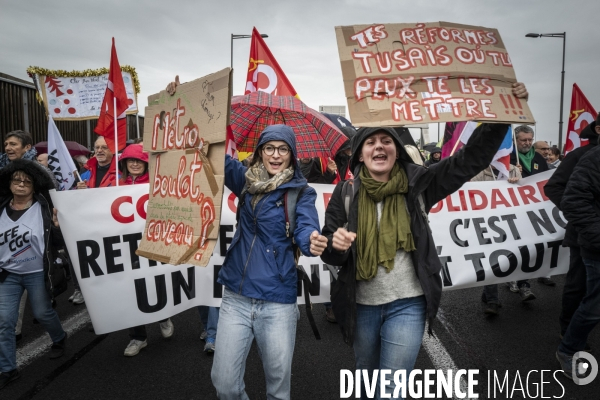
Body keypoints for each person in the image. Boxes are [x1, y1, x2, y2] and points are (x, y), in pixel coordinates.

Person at [321, 121, 513, 398]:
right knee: (365, 378)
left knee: (392, 389)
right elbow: (330, 249)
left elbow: (469, 160)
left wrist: (498, 119)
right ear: (359, 155)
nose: (379, 146)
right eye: (370, 142)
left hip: (407, 305)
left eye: (386, 141)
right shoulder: (345, 193)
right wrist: (335, 245)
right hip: (361, 305)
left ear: (396, 151)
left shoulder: (420, 185)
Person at [211, 125, 328, 399]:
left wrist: (311, 240)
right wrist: (186, 109)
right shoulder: (246, 180)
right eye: (269, 148)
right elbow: (213, 153)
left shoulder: (301, 193)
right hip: (236, 298)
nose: (276, 155)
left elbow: (305, 228)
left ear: (292, 154)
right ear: (260, 152)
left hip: (277, 302)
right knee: (224, 385)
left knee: (277, 390)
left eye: (283, 148)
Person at [0, 159, 67, 390]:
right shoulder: (1, 208)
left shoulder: (44, 208)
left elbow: (58, 242)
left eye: (26, 182)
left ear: (34, 186)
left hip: (38, 272)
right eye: (16, 180)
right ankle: (7, 368)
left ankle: (59, 339)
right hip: (7, 275)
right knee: (4, 321)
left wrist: (57, 226)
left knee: (43, 312)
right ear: (9, 183)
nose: (20, 184)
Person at [545, 112, 600, 344]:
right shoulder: (580, 155)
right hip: (584, 234)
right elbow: (554, 188)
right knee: (578, 284)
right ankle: (567, 331)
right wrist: (585, 219)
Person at [117, 144, 174, 356]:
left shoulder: (157, 183)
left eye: (139, 160)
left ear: (146, 163)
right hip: (127, 245)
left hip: (154, 242)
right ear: (124, 164)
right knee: (133, 289)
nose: (134, 164)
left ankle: (163, 315)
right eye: (130, 161)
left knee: (158, 282)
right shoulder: (116, 185)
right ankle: (137, 337)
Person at [555, 144, 600, 380]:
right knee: (589, 301)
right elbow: (570, 198)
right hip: (593, 245)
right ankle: (569, 346)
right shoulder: (590, 158)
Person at [472, 164, 522, 314]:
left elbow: (523, 195)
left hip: (509, 221)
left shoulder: (514, 170)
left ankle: (488, 293)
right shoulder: (480, 171)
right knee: (492, 259)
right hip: (487, 223)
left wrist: (517, 182)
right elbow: (468, 191)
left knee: (507, 258)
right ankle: (493, 300)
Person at [509, 125, 550, 293]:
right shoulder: (507, 157)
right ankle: (510, 277)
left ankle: (524, 283)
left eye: (530, 140)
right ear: (515, 140)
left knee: (528, 246)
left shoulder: (539, 159)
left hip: (533, 211)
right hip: (511, 210)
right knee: (513, 247)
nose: (527, 143)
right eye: (523, 140)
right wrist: (509, 172)